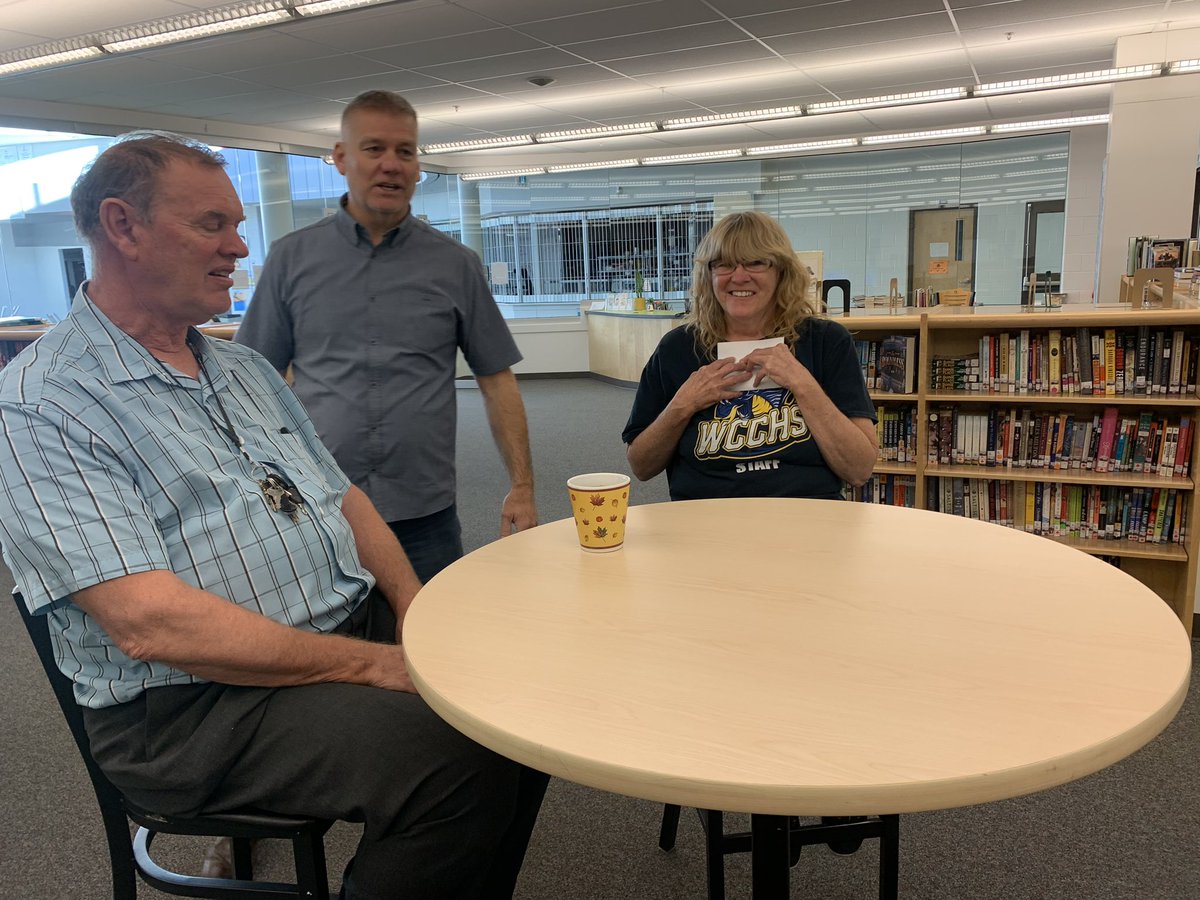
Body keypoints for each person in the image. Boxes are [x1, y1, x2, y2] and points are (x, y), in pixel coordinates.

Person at [0, 132, 545, 899]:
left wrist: (413, 608)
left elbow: (342, 494)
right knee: (456, 757)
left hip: (335, 629)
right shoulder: (43, 402)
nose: (239, 246)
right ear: (122, 226)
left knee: (523, 702)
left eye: (237, 223)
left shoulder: (241, 367)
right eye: (212, 225)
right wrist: (377, 666)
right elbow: (148, 624)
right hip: (191, 710)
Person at [622, 210, 877, 853]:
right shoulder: (679, 350)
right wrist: (684, 402)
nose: (739, 276)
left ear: (781, 272)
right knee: (728, 663)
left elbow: (858, 466)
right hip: (705, 551)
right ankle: (760, 789)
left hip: (811, 544)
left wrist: (799, 380)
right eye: (723, 264)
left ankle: (826, 779)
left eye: (755, 262)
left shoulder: (824, 343)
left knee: (829, 653)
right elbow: (641, 465)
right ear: (707, 276)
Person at [236, 90, 536, 586]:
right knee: (326, 633)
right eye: (374, 148)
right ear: (341, 158)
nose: (391, 165)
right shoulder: (292, 259)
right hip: (321, 505)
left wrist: (522, 486)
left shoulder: (455, 265)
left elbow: (497, 381)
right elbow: (249, 383)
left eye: (405, 151)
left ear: (417, 166)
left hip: (425, 513)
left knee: (429, 630)